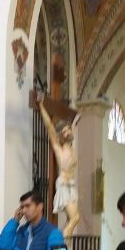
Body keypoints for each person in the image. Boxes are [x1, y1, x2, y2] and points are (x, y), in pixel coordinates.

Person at [37, 94, 80, 237]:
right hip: (63, 184)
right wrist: (42, 106)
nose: (69, 131)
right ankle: (60, 242)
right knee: (75, 218)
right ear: (61, 135)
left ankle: (63, 249)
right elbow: (49, 126)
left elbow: (74, 121)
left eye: (69, 129)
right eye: (65, 130)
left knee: (71, 219)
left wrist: (74, 121)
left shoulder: (72, 149)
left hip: (71, 186)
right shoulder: (59, 149)